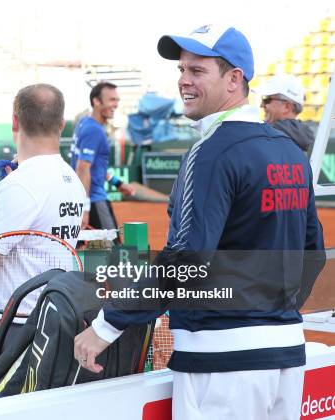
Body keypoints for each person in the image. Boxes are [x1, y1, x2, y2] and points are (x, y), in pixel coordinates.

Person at [74, 25, 325, 420]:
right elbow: (312, 253)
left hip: (222, 363)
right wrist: (274, 313)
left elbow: (186, 261)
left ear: (234, 79)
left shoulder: (210, 152)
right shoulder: (290, 152)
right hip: (286, 356)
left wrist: (107, 325)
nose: (184, 81)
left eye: (197, 70)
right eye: (181, 70)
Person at [0, 84, 86, 375]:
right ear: (60, 123)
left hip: (17, 330)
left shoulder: (20, 185)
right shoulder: (70, 178)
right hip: (51, 321)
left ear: (15, 122)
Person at [71, 82, 135, 234]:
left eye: (117, 100)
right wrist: (85, 209)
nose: (116, 105)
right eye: (112, 100)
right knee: (114, 252)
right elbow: (82, 168)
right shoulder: (94, 130)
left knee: (84, 251)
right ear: (96, 101)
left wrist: (117, 183)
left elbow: (93, 166)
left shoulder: (85, 123)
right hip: (93, 200)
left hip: (84, 199)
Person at [259, 74, 314, 151]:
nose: (262, 105)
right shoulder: (308, 135)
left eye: (267, 100)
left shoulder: (263, 134)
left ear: (286, 106)